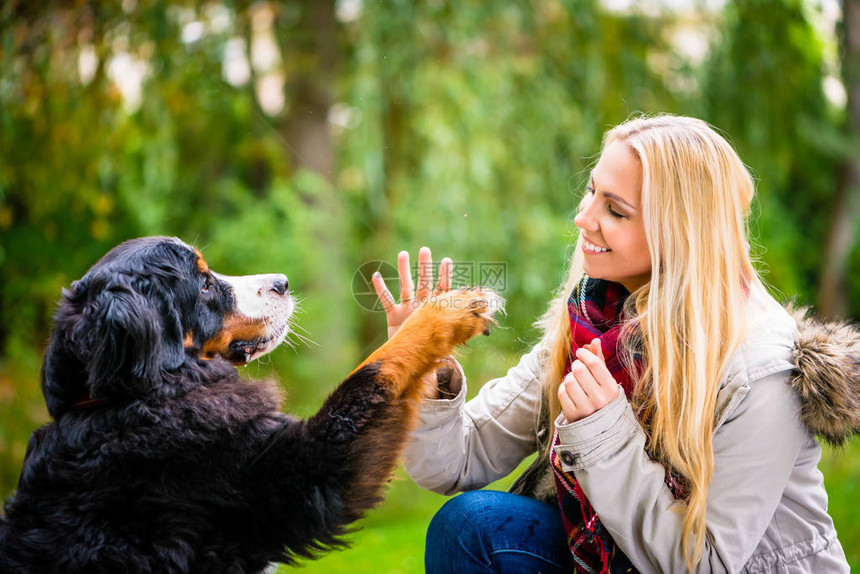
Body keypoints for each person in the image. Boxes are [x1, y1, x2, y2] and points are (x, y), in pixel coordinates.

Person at [371, 115, 858, 573]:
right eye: (591, 191)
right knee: (470, 526)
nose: (583, 218)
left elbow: (705, 562)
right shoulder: (597, 316)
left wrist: (604, 434)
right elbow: (458, 459)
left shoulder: (761, 369)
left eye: (615, 210)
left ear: (680, 233)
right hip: (617, 556)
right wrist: (424, 365)